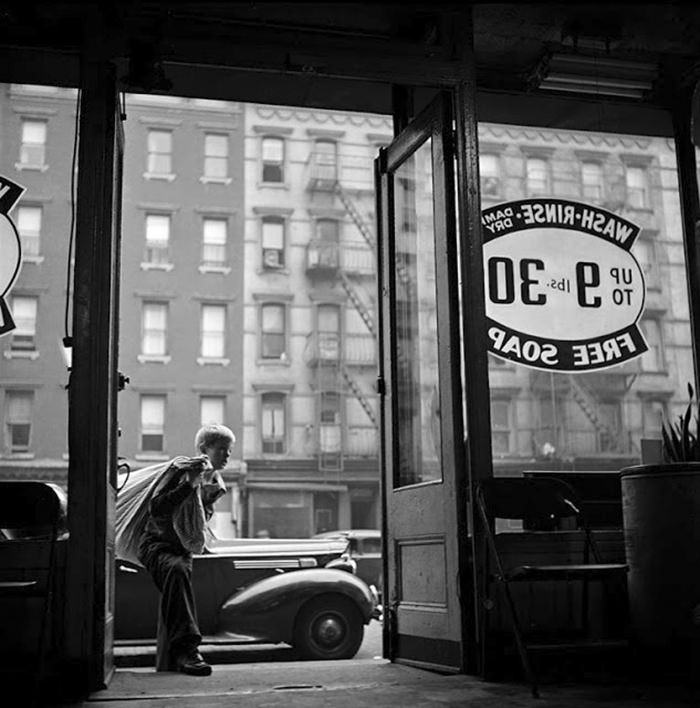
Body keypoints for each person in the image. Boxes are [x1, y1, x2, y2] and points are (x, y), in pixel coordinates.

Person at [137, 423, 235, 676]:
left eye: (229, 450)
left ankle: (176, 657)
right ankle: (188, 652)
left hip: (182, 549)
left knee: (180, 570)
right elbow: (156, 507)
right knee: (177, 570)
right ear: (204, 449)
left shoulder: (214, 482)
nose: (227, 455)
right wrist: (188, 485)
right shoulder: (181, 471)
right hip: (156, 546)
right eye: (221, 449)